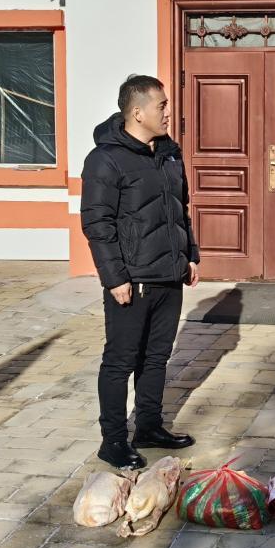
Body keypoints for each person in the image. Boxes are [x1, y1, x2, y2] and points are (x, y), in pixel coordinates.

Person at [81, 75, 200, 470]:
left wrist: (189, 255)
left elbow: (180, 209)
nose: (168, 112)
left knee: (156, 358)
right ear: (137, 112)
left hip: (169, 275)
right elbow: (97, 223)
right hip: (131, 280)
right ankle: (113, 440)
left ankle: (148, 426)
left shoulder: (168, 152)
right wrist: (115, 278)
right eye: (161, 106)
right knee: (120, 361)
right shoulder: (105, 159)